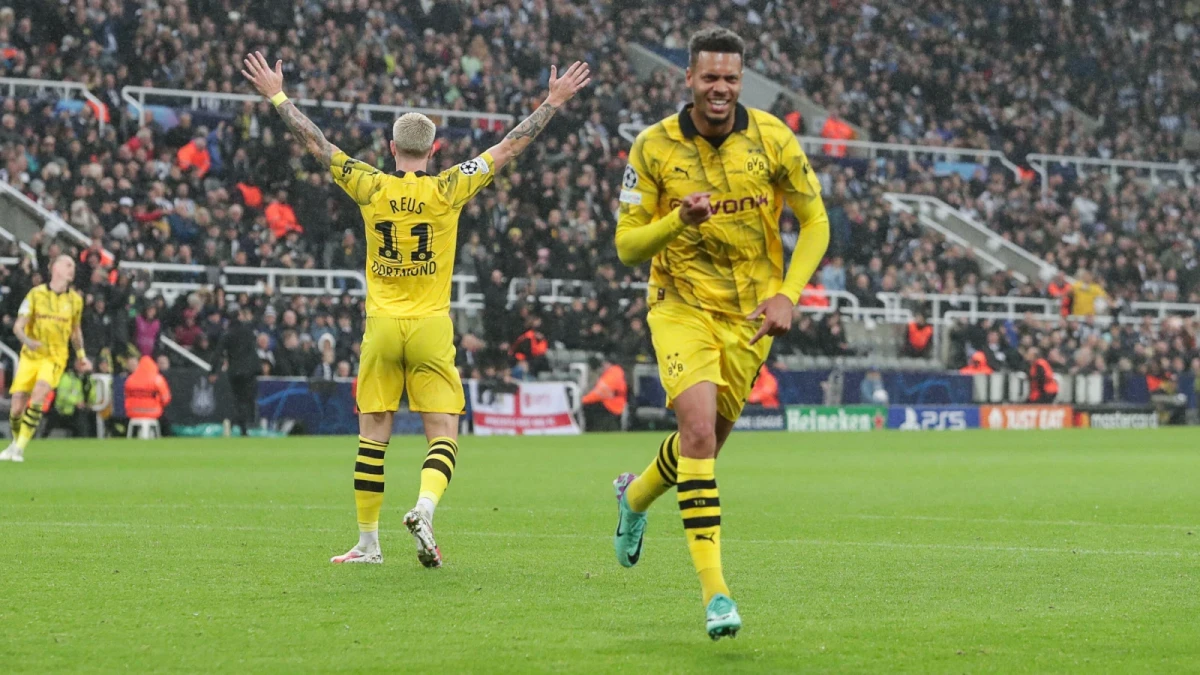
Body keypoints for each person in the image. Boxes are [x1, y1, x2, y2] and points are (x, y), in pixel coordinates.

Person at [241, 51, 591, 566]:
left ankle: (367, 543)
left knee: (372, 437)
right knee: (442, 432)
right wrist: (552, 102)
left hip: (381, 326)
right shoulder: (449, 187)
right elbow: (509, 146)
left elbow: (316, 143)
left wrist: (277, 94)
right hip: (430, 326)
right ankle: (425, 507)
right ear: (434, 150)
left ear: (391, 148)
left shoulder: (369, 184)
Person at [608, 28, 829, 639]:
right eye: (710, 77)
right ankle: (717, 597)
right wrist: (677, 221)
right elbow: (627, 246)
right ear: (688, 78)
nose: (720, 88)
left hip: (751, 317)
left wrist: (790, 291)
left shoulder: (774, 138)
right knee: (698, 431)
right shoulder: (652, 148)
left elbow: (815, 222)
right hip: (679, 304)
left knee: (702, 450)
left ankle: (634, 498)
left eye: (731, 78)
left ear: (741, 81)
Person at [3, 255, 91, 462]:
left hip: (55, 356)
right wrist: (28, 341)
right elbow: (18, 326)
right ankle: (15, 443)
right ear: (55, 268)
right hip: (30, 356)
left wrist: (81, 355)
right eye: (68, 265)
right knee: (16, 408)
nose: (72, 269)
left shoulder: (75, 300)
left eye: (73, 266)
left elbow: (75, 331)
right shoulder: (36, 294)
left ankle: (19, 448)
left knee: (40, 393)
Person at [209, 306, 260, 435]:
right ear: (239, 316)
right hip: (249, 371)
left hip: (235, 371)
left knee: (238, 400)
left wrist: (213, 371)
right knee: (247, 400)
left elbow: (217, 353)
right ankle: (241, 426)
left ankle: (236, 425)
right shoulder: (248, 330)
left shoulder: (228, 333)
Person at [43, 357, 97, 438]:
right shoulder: (67, 377)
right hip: (64, 411)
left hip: (80, 410)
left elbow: (93, 394)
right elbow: (62, 395)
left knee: (90, 418)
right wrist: (76, 402)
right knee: (81, 420)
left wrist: (90, 402)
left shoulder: (88, 379)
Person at [582, 355, 627, 431]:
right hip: (615, 404)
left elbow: (601, 392)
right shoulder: (615, 373)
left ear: (609, 364)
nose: (603, 366)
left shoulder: (613, 373)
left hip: (610, 405)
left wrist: (584, 400)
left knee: (588, 408)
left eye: (604, 364)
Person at [124, 355, 172, 426]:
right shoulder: (157, 379)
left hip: (133, 411)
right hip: (153, 411)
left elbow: (126, 395)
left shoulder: (130, 379)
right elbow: (166, 398)